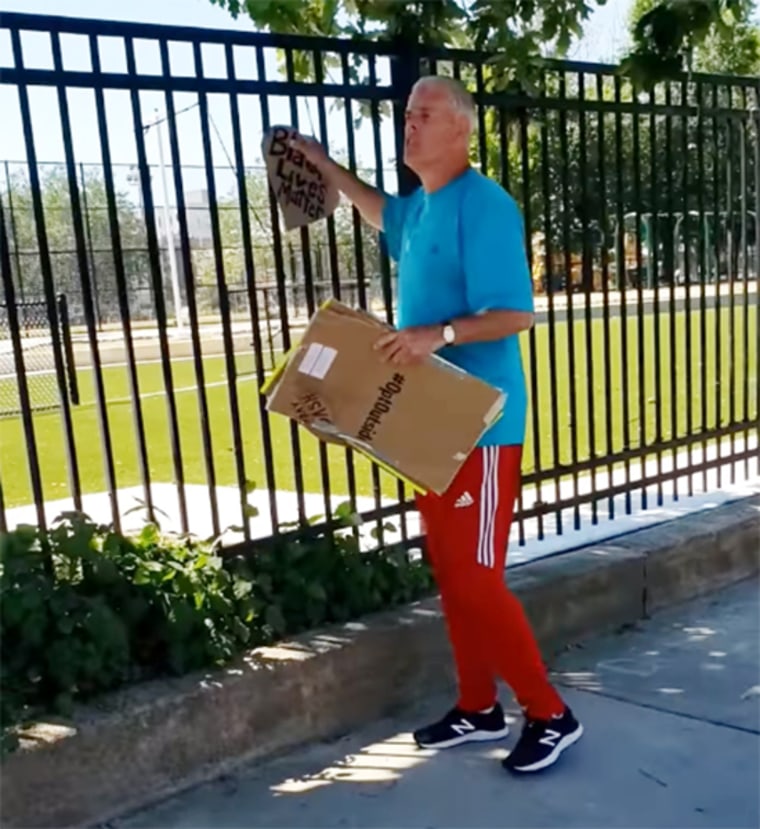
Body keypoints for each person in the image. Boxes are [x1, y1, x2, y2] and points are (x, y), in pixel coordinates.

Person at [291, 75, 583, 774]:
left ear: (461, 130)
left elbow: (516, 312)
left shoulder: (483, 206)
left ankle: (550, 712)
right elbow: (377, 211)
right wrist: (325, 166)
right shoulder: (422, 207)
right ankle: (479, 706)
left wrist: (438, 333)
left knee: (478, 577)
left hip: (480, 426)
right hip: (429, 426)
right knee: (452, 574)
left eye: (425, 114)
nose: (409, 123)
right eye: (407, 114)